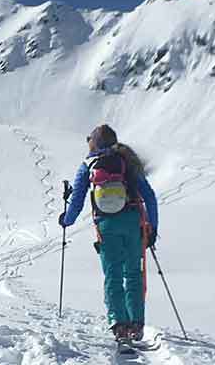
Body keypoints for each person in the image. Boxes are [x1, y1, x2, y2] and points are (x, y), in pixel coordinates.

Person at [59, 124, 158, 344]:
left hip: (106, 225)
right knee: (133, 273)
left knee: (112, 275)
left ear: (93, 142)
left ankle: (119, 324)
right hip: (133, 222)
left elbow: (76, 201)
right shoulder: (127, 161)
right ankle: (137, 323)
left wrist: (66, 220)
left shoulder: (87, 165)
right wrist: (153, 228)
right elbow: (149, 196)